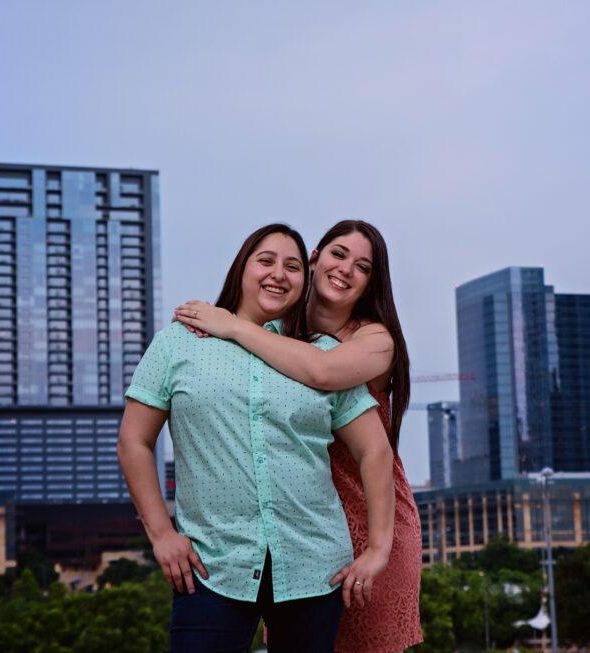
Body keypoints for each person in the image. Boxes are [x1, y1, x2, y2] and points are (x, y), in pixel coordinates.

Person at [117, 223, 395, 653]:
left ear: (305, 279)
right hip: (212, 566)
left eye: (292, 267)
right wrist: (161, 534)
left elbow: (374, 449)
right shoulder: (179, 342)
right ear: (241, 269)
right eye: (266, 261)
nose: (278, 274)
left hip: (315, 567)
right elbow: (134, 441)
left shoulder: (320, 353)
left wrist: (378, 548)